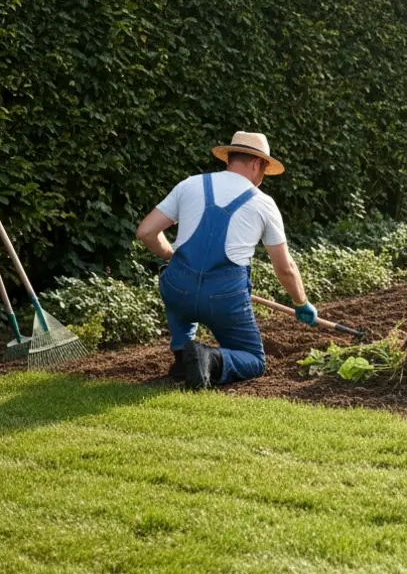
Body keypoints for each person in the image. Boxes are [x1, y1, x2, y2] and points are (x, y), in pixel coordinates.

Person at [135, 132, 317, 388]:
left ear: (230, 158)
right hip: (223, 299)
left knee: (174, 281)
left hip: (179, 290)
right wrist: (301, 302)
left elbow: (145, 232)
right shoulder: (263, 203)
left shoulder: (189, 185)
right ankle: (209, 359)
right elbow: (285, 267)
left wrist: (172, 256)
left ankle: (182, 356)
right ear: (257, 163)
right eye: (264, 168)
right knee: (254, 359)